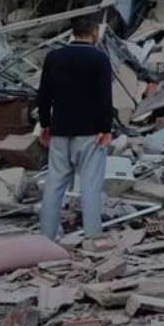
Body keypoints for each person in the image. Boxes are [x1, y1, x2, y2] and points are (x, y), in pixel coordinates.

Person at [37, 16, 113, 241]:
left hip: (60, 129)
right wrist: (106, 128)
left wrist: (45, 124)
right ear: (95, 32)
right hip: (90, 132)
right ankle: (92, 237)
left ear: (73, 32)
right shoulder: (100, 59)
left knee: (54, 185)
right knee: (90, 186)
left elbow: (43, 95)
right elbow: (104, 97)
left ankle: (47, 237)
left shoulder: (54, 57)